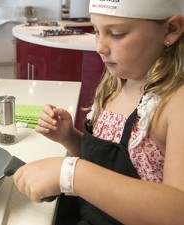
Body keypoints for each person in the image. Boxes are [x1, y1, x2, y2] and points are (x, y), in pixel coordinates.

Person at [13, 0, 184, 224]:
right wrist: (71, 138)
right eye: (96, 31)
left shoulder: (175, 102)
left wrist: (72, 173)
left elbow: (177, 211)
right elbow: (107, 164)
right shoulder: (117, 83)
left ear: (171, 30)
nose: (100, 47)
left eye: (117, 33)